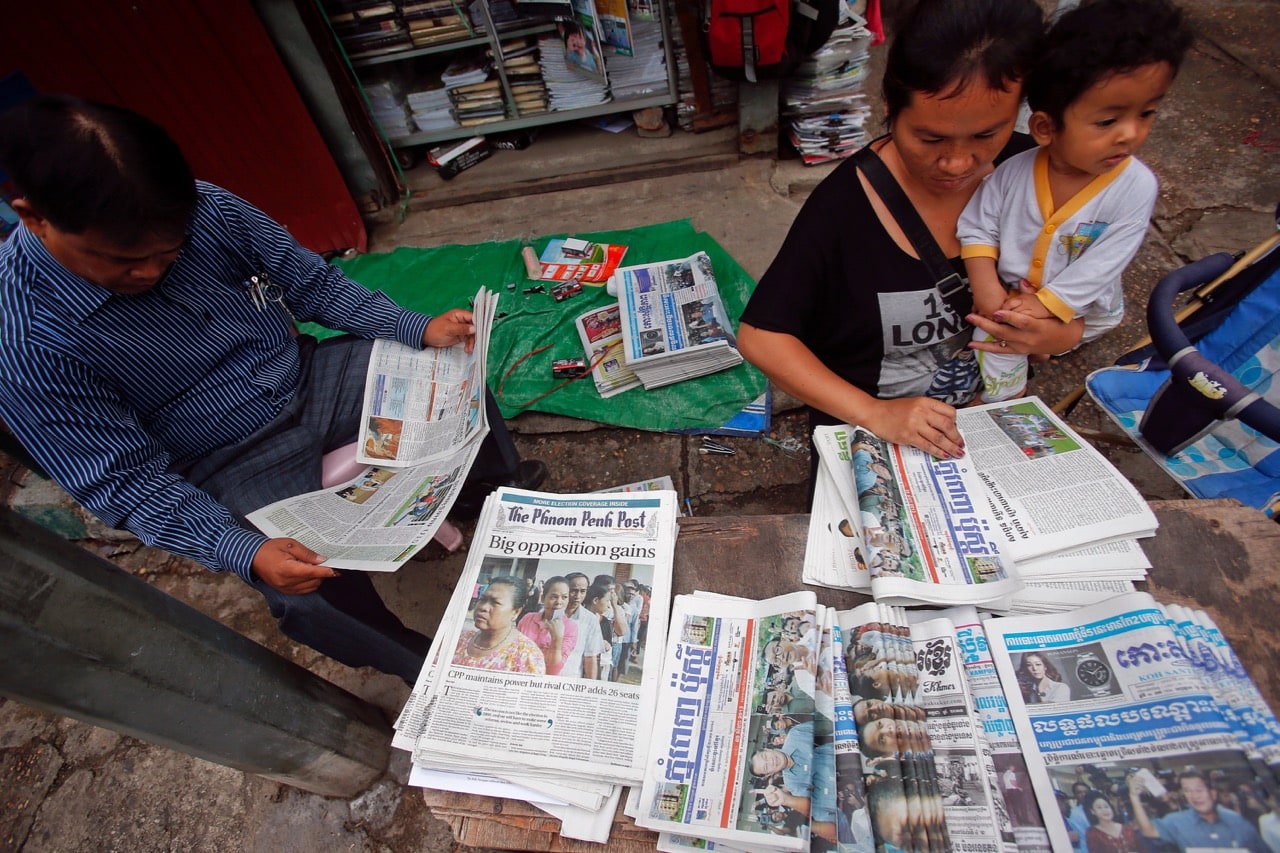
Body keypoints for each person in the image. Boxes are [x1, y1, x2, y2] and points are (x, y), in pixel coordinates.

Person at [0, 95, 547, 686]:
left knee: (455, 373)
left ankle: (489, 493)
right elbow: (122, 481)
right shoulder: (25, 336)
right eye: (122, 260)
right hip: (221, 456)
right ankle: (418, 662)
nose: (152, 271)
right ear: (32, 216)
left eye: (170, 252)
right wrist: (242, 550)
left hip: (308, 378)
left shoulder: (212, 210)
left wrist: (415, 327)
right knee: (305, 591)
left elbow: (313, 285)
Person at [739, 0, 1082, 484]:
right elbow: (762, 336)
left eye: (988, 133)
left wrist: (1057, 335)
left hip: (988, 427)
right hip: (875, 435)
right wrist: (874, 413)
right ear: (888, 109)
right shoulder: (844, 206)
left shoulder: (1039, 177)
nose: (959, 163)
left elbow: (1074, 308)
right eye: (931, 138)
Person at [958, 0, 1193, 403]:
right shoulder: (1015, 172)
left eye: (1147, 113)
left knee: (1008, 336)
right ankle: (1021, 369)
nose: (1130, 134)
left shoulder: (1136, 187)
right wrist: (987, 289)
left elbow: (1104, 263)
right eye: (1108, 121)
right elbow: (979, 225)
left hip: (1089, 308)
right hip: (1016, 293)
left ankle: (1005, 398)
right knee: (996, 328)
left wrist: (1046, 308)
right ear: (1046, 126)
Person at [1130, 769, 1267, 852]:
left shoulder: (1237, 822)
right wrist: (1134, 797)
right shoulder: (1177, 821)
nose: (1194, 796)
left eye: (1199, 790)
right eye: (1188, 791)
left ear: (1213, 793)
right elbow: (1149, 830)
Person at [452, 576, 545, 674]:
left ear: (516, 612)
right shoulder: (460, 639)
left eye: (495, 603)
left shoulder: (526, 655)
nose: (483, 607)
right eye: (482, 599)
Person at [516, 575, 577, 676]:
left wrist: (557, 639)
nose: (559, 602)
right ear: (543, 598)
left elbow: (553, 670)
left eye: (564, 597)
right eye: (554, 597)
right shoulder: (528, 618)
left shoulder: (571, 627)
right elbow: (515, 650)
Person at [563, 572, 604, 679]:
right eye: (573, 591)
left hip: (571, 678)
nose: (578, 596)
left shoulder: (590, 620)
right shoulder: (547, 613)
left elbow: (590, 657)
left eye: (583, 591)